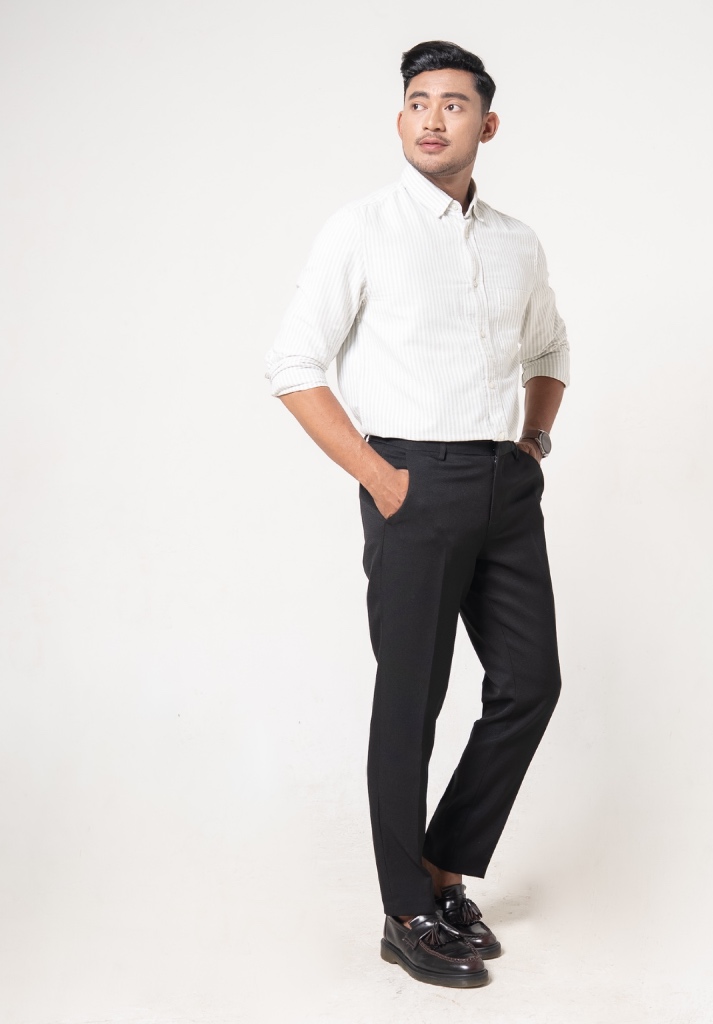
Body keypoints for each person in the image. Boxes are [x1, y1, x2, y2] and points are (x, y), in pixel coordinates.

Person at [265, 40, 569, 988]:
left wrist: (534, 442)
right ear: (400, 119)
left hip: (504, 484)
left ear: (488, 123)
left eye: (453, 103)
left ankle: (443, 869)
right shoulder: (362, 228)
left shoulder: (517, 242)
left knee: (530, 683)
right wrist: (379, 477)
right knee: (412, 700)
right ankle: (406, 913)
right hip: (413, 482)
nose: (433, 117)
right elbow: (293, 364)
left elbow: (551, 348)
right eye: (418, 101)